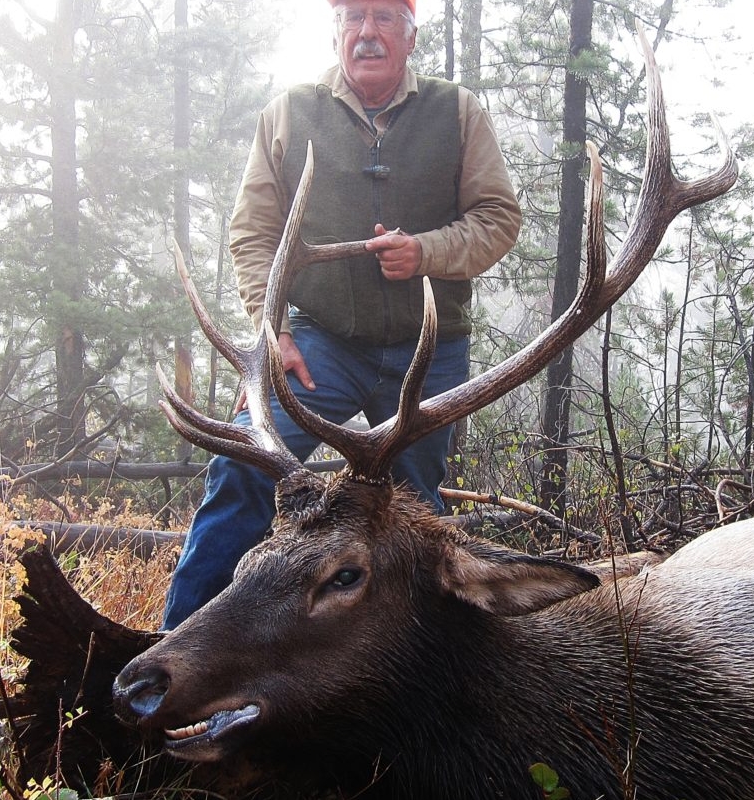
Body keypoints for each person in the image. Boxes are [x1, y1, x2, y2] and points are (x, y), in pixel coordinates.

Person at [161, 0, 521, 629]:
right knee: (244, 465)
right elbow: (252, 233)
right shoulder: (289, 112)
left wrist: (426, 252)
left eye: (384, 17)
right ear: (335, 31)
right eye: (354, 17)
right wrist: (270, 330)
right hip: (317, 344)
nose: (368, 32)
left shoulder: (457, 111)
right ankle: (178, 641)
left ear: (410, 35)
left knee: (412, 514)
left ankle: (416, 675)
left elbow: (499, 220)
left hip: (427, 355)